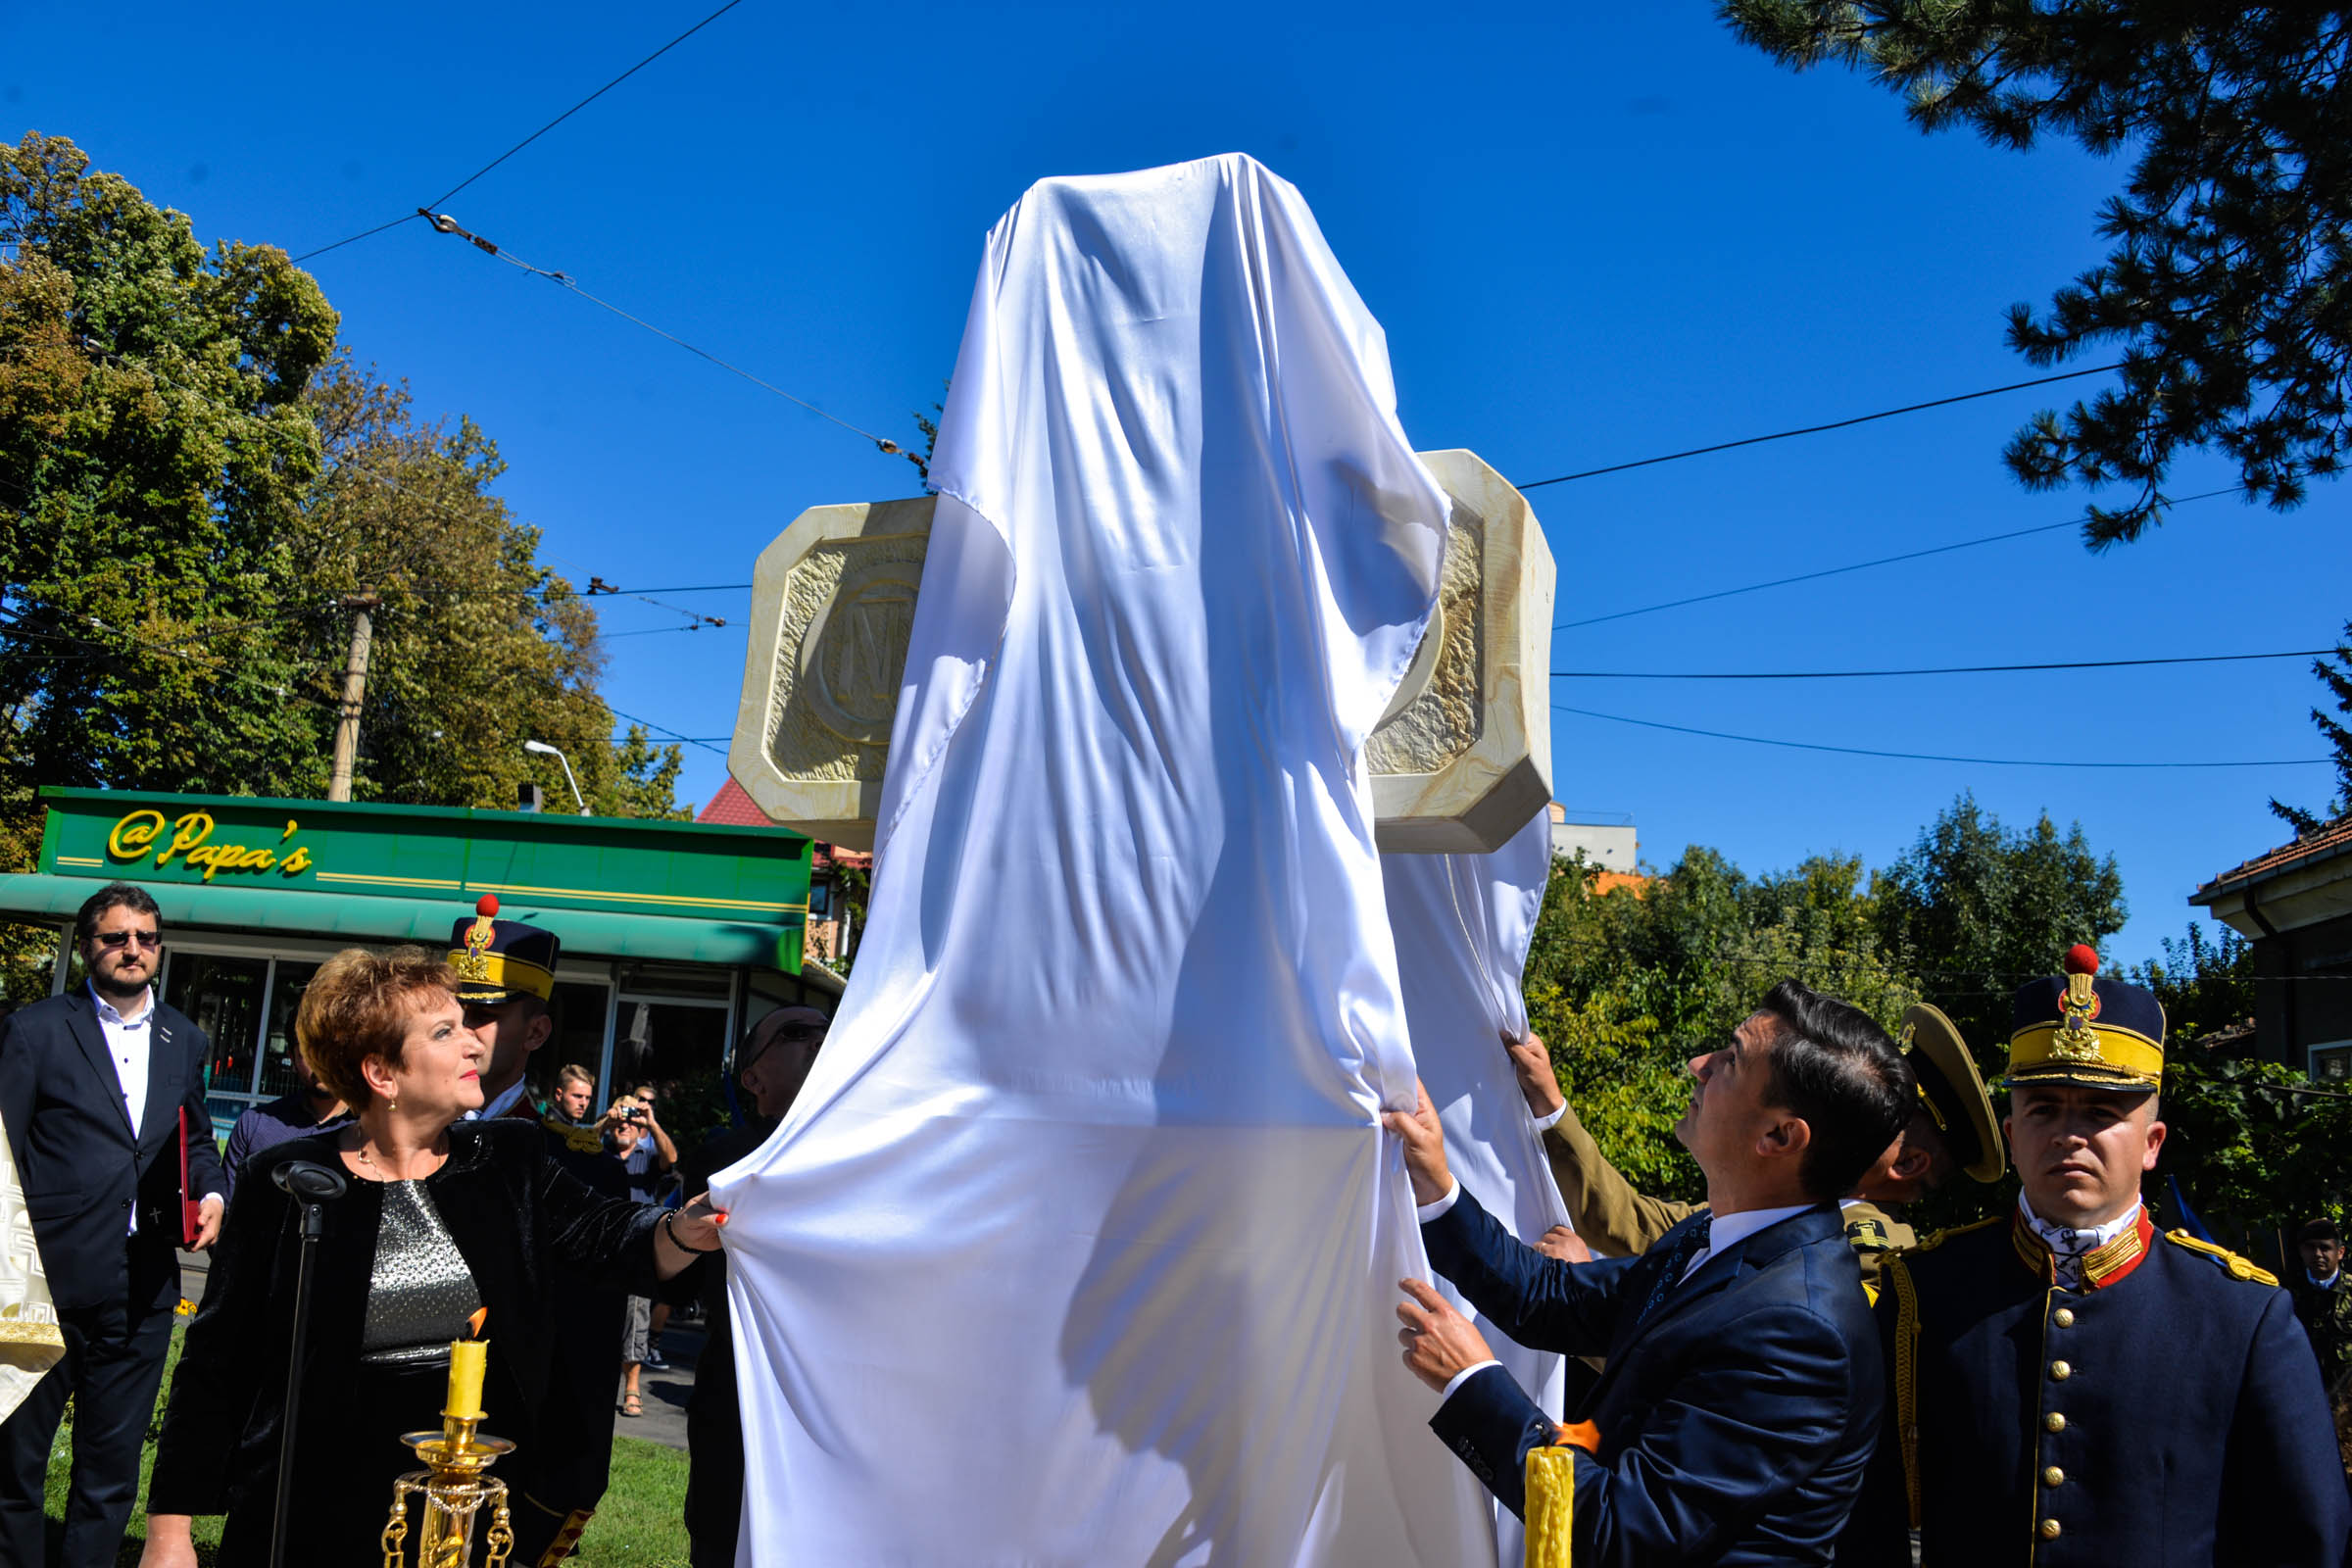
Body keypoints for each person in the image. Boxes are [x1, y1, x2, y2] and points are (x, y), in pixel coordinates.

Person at [138, 945, 723, 1567]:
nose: (473, 1044)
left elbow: (607, 1233)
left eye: (468, 1026)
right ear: (381, 1073)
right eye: (446, 1032)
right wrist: (169, 1532)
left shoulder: (508, 1158)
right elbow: (217, 1362)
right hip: (305, 1511)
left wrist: (684, 1228)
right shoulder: (286, 1179)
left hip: (462, 1512)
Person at [1837, 946, 2350, 1565]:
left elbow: (2306, 1541)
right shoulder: (1924, 1295)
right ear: (2012, 1136)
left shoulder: (2242, 1316)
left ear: (2152, 1143)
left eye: (2102, 1112)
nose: (2069, 1135)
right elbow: (1866, 1525)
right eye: (2043, 1109)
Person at [1387, 979, 1910, 1561]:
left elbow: (1621, 1534)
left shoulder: (1798, 1331)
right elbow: (1553, 1298)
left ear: (1781, 1135)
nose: (1699, 1065)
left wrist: (1474, 1383)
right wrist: (1437, 1188)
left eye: (1732, 1061)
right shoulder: (1720, 1236)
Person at [0, 883, 226, 1568]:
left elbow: (194, 1138)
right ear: (87, 946)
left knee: (111, 1469)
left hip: (144, 1285)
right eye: (116, 937)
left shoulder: (184, 1038)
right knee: (15, 1464)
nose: (133, 949)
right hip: (40, 1281)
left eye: (146, 938)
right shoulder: (36, 1029)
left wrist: (213, 1191)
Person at [1512, 1002, 2004, 1294]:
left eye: (1880, 1113)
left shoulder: (1879, 1263)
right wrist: (1550, 1107)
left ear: (1909, 1163)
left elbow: (1716, 1388)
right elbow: (1632, 1222)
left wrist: (1582, 1291)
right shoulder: (1785, 1202)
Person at [446, 902, 628, 1566]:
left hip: (505, 1464)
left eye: (483, 1015)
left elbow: (585, 1351)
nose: (462, 1032)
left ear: (537, 1030)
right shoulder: (383, 1138)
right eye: (452, 1011)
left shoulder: (578, 1166)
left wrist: (557, 1493)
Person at [674, 1005, 827, 1568]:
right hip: (740, 1401)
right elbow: (688, 1284)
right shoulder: (724, 1164)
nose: (820, 1040)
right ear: (753, 1078)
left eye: (827, 1029)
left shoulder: (880, 1152)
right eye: (796, 1033)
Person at [221, 1048, 348, 1194]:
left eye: (333, 1049)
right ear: (293, 1059)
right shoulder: (254, 1125)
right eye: (310, 1051)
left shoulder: (367, 1132)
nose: (322, 1062)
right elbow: (227, 1203)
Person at [610, 1099, 663, 1419]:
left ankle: (632, 1386)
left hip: (637, 1247)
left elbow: (672, 1159)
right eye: (621, 1116)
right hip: (601, 1248)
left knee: (636, 1318)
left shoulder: (648, 1155)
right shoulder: (598, 1149)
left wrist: (651, 1123)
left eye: (632, 1118)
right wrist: (605, 1121)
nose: (625, 1123)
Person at [2290, 1217, 2352, 1396]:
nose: (2317, 1254)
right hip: (2304, 1391)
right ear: (2301, 1251)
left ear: (2340, 1252)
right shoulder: (2286, 1293)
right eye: (2310, 1247)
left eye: (2325, 1248)